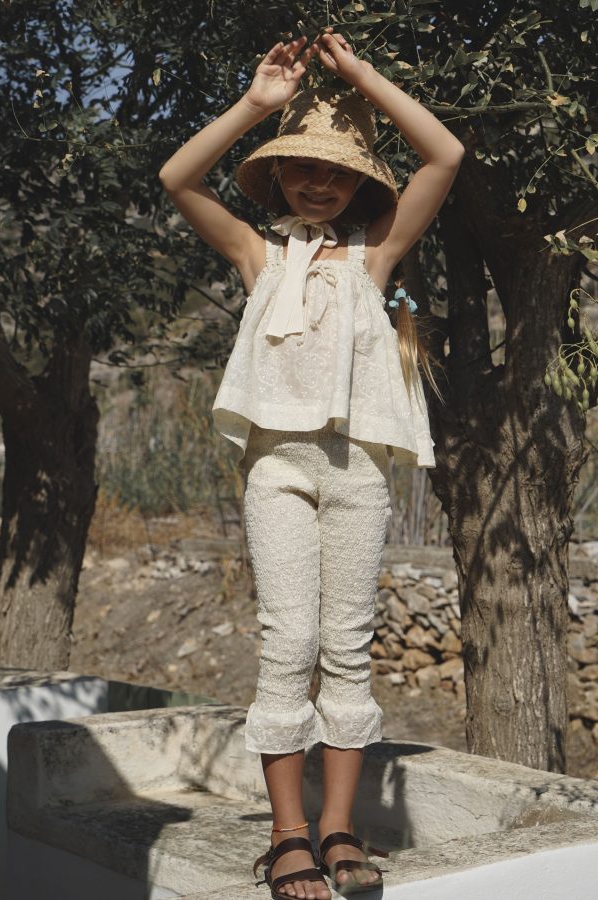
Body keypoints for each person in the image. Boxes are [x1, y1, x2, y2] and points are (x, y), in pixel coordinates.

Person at [159, 26, 464, 900]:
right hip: (279, 469)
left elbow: (444, 153)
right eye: (303, 168)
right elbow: (177, 179)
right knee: (287, 642)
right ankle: (285, 833)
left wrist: (365, 75)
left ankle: (338, 827)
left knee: (346, 649)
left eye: (336, 171)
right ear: (281, 174)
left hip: (356, 472)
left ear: (361, 181)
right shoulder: (259, 258)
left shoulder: (376, 259)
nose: (319, 182)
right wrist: (256, 107)